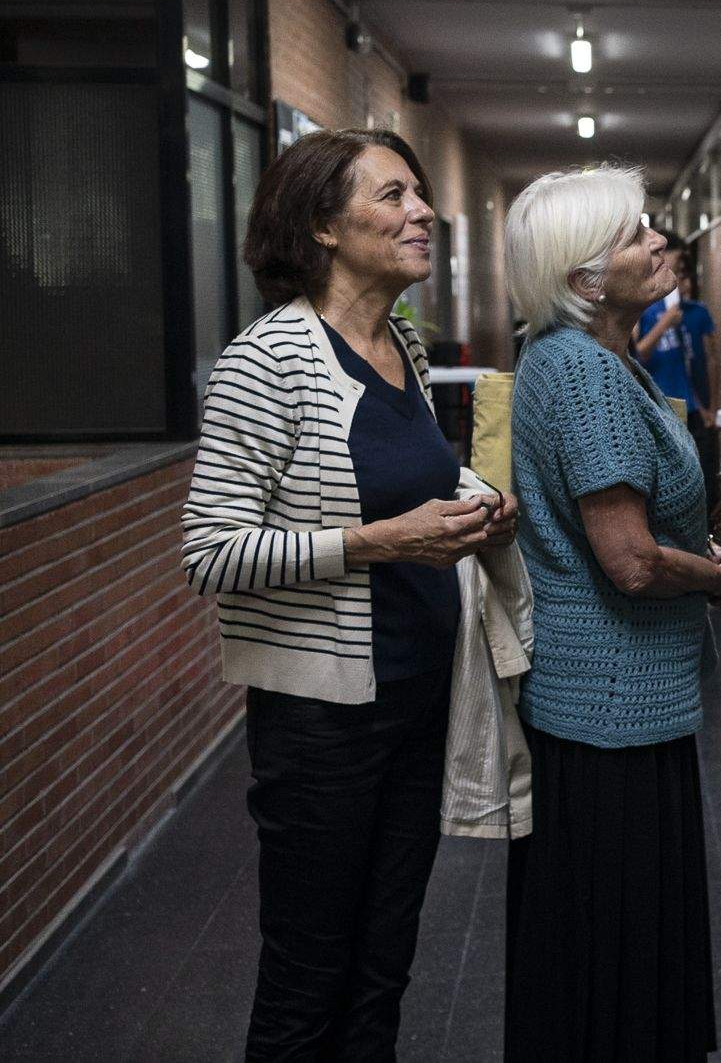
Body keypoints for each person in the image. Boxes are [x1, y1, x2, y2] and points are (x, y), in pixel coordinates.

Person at [181, 129, 517, 1059]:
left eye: (420, 193)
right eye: (393, 196)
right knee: (306, 979)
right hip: (321, 724)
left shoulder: (399, 343)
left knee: (384, 964)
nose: (421, 213)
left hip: (415, 700)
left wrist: (474, 509)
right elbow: (209, 550)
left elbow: (405, 481)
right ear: (324, 224)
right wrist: (375, 542)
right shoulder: (271, 357)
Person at [502, 165, 721, 1061]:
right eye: (637, 235)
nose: (659, 245)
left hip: (604, 702)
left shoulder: (593, 359)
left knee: (600, 947)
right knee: (615, 948)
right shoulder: (586, 375)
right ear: (584, 281)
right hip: (611, 709)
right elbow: (633, 564)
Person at [634, 230, 720, 498]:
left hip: (693, 408)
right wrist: (665, 323)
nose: (677, 279)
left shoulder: (696, 312)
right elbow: (638, 353)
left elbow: (709, 360)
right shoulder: (643, 309)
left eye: (682, 274)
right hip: (660, 407)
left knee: (706, 479)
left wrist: (711, 408)